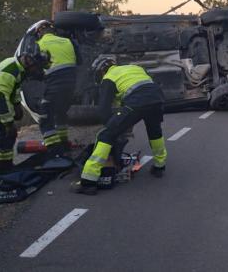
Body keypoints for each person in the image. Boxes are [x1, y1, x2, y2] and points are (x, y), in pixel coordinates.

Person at [71, 55, 167, 195]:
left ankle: (88, 181)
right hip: (157, 98)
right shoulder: (134, 68)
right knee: (154, 132)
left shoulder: (108, 78)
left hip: (138, 100)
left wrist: (113, 127)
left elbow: (103, 110)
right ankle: (159, 166)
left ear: (101, 71)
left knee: (105, 135)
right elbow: (127, 93)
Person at [0, 52, 48, 191]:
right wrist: (8, 122)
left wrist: (17, 104)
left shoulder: (19, 68)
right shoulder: (9, 69)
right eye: (37, 68)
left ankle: (3, 168)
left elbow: (14, 89)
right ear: (30, 62)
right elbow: (1, 96)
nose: (37, 71)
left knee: (9, 136)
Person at [34, 21, 78, 156]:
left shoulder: (39, 44)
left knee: (45, 115)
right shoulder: (67, 41)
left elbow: (35, 66)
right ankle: (64, 144)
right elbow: (79, 61)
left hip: (54, 82)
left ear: (40, 32)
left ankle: (55, 151)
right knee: (60, 113)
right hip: (71, 83)